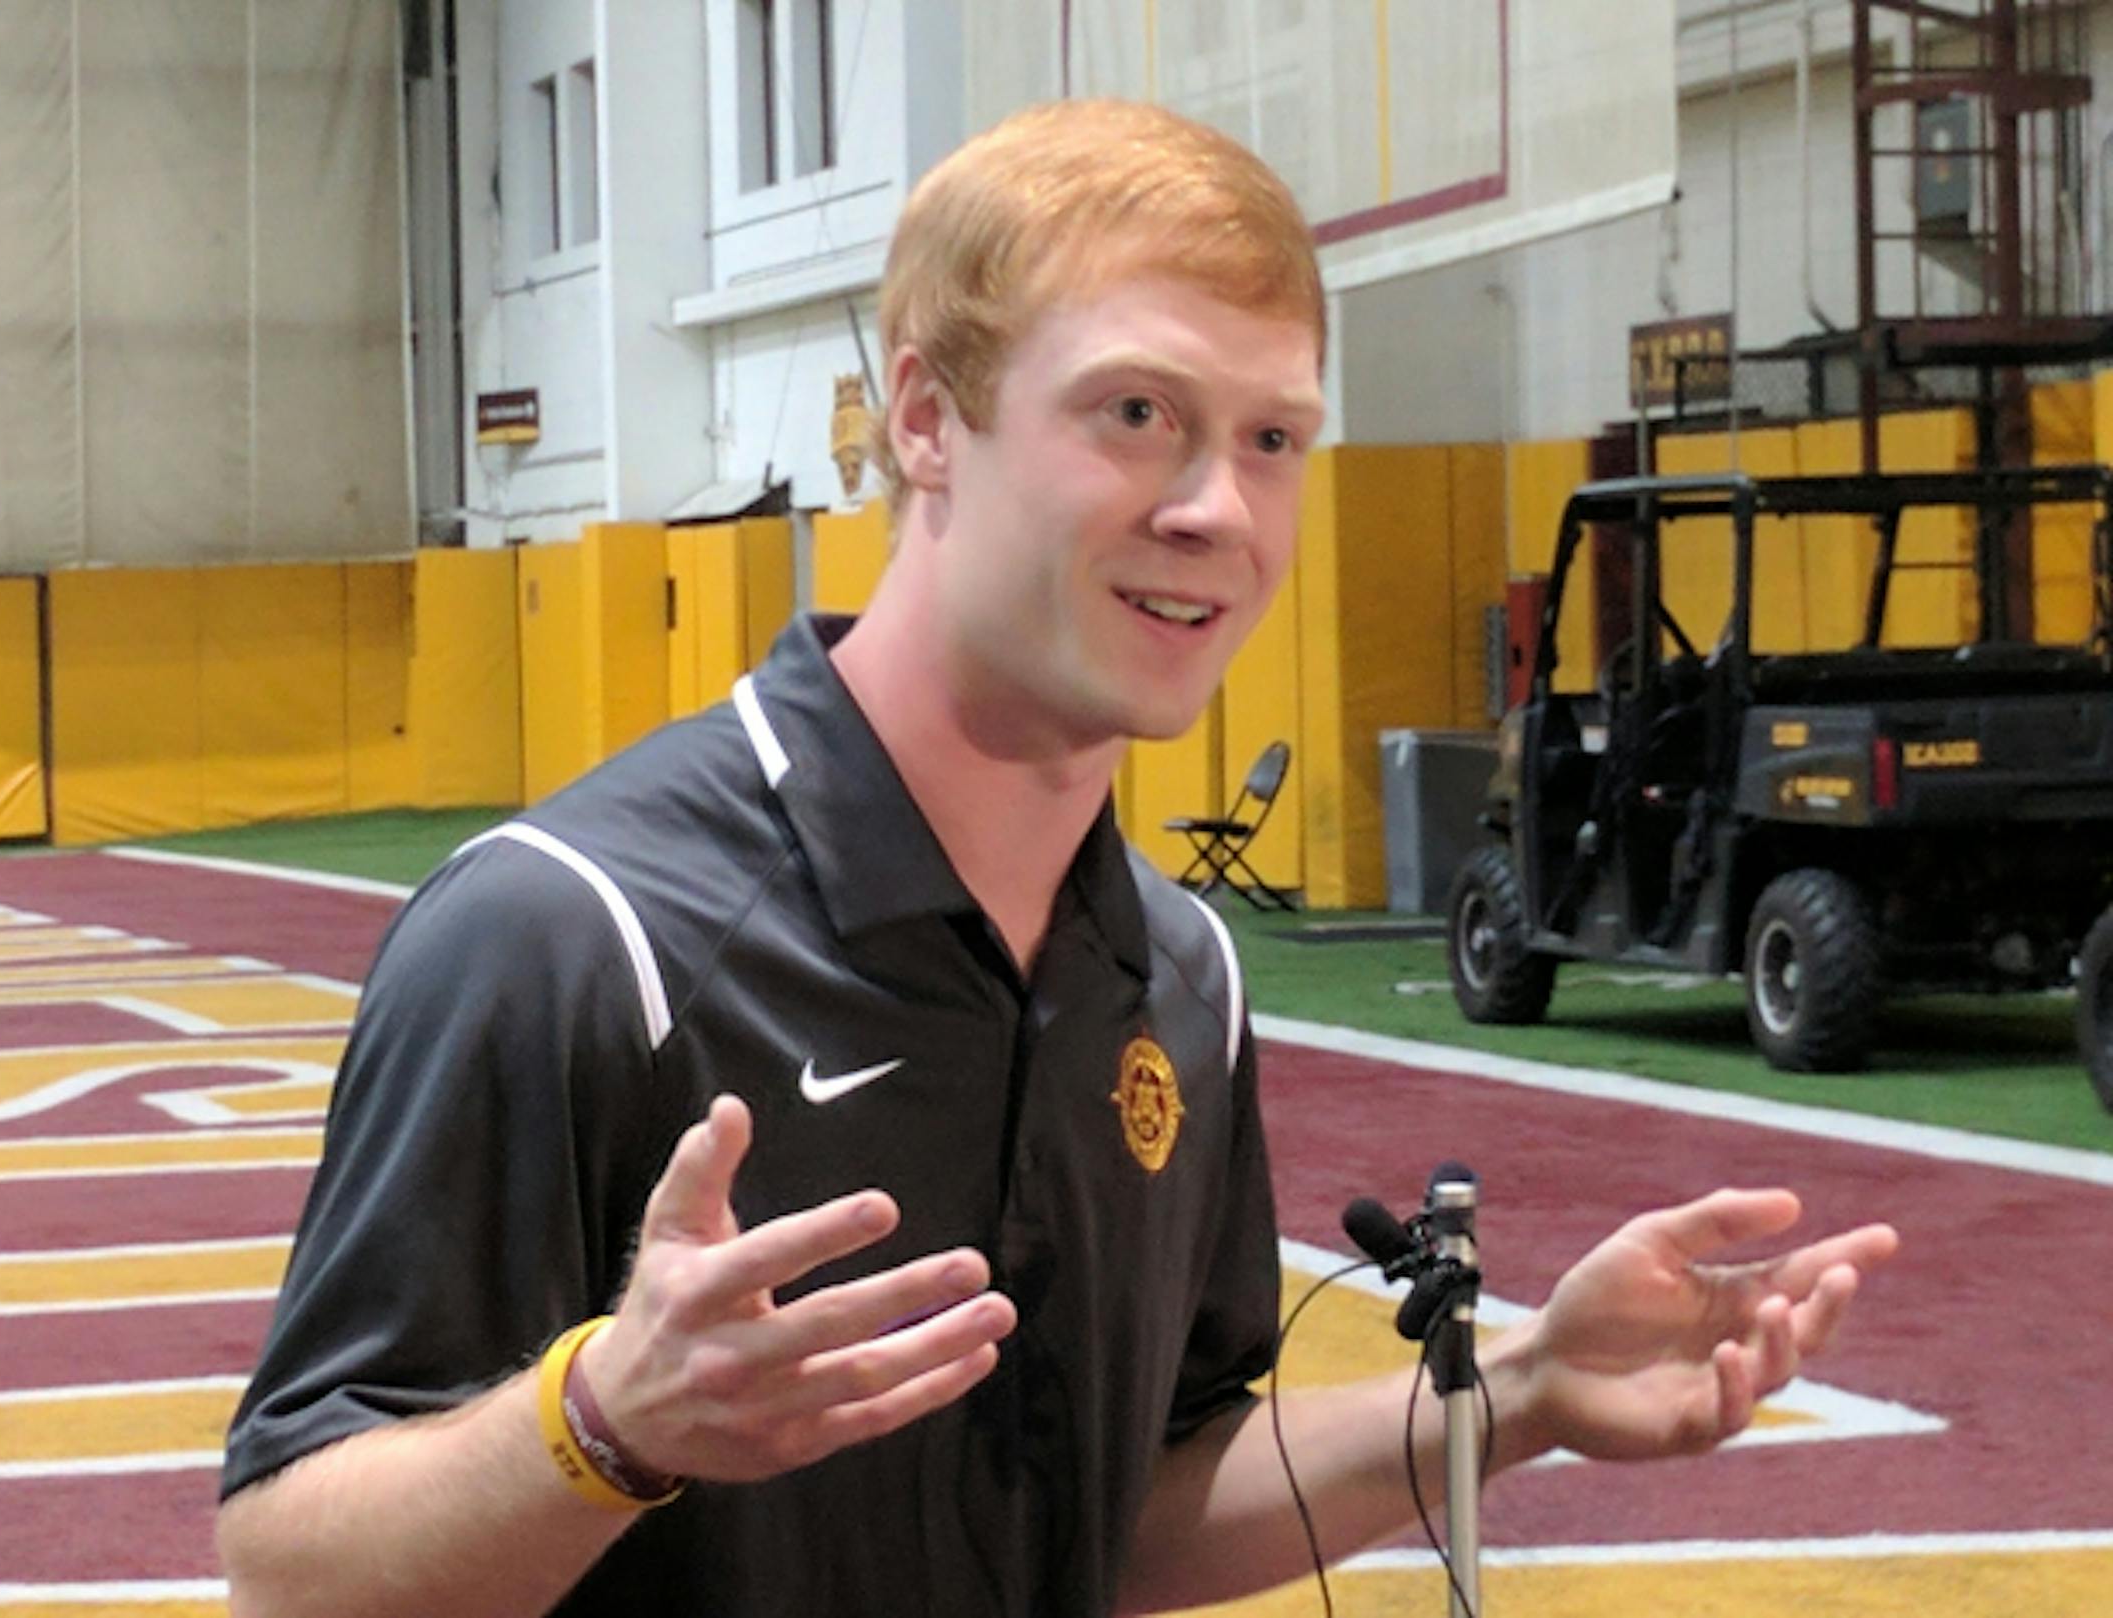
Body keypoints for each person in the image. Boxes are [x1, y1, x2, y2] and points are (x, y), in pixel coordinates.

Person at [215, 99, 1898, 1617]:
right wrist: (601, 1427)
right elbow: (291, 1565)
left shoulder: (1178, 972)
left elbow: (1131, 1507)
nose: (1218, 513)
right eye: (1138, 412)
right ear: (929, 417)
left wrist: (1508, 1394)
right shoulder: (570, 937)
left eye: (1271, 439)